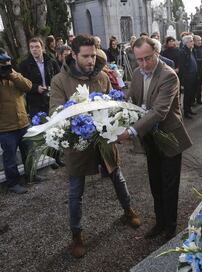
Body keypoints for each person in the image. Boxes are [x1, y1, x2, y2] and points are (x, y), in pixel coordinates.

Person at [50, 35, 141, 258]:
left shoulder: (102, 77)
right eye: (86, 56)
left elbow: (112, 106)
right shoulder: (60, 81)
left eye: (93, 55)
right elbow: (56, 113)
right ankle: (77, 234)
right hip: (77, 146)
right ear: (73, 54)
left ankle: (128, 210)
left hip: (104, 143)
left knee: (118, 178)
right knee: (75, 191)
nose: (91, 60)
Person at [120, 36, 192, 240]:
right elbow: (130, 99)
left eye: (148, 58)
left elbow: (159, 111)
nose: (143, 64)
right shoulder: (136, 73)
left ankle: (170, 226)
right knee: (155, 183)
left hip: (169, 137)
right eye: (139, 60)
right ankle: (160, 222)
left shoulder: (168, 76)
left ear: (157, 53)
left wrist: (131, 132)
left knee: (169, 185)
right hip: (150, 137)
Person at [0, 48, 32, 194]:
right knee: (10, 158)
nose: (6, 65)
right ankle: (13, 183)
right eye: (2, 63)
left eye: (8, 62)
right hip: (6, 128)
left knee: (28, 152)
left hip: (23, 123)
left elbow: (28, 86)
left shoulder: (14, 76)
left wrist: (12, 74)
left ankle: (31, 175)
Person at [19, 37, 61, 118]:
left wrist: (51, 87)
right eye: (31, 47)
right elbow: (23, 83)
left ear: (42, 48)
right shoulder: (24, 65)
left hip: (52, 99)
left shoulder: (51, 62)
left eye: (37, 47)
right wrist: (36, 88)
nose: (34, 49)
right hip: (35, 102)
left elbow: (59, 78)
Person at [178, 35, 198, 118]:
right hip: (187, 77)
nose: (193, 42)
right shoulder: (183, 52)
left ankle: (189, 109)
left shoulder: (191, 50)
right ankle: (186, 112)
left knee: (191, 94)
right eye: (191, 41)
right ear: (186, 43)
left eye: (192, 41)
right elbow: (182, 66)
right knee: (187, 94)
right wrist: (184, 79)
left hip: (193, 75)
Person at [193, 35, 202, 104]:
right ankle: (192, 100)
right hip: (194, 70)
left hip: (201, 69)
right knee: (194, 86)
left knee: (199, 85)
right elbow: (194, 59)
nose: (200, 42)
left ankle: (199, 99)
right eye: (198, 40)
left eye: (200, 40)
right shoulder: (192, 49)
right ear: (194, 41)